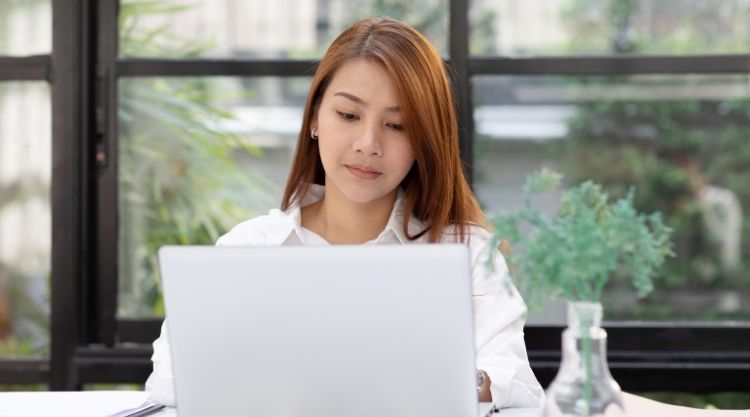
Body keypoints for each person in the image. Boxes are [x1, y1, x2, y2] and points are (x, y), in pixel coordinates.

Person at [145, 17, 544, 409]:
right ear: (315, 117)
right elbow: (168, 379)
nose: (368, 144)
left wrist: (447, 378)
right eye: (349, 116)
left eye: (398, 125)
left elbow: (516, 384)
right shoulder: (246, 249)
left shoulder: (465, 250)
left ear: (425, 140)